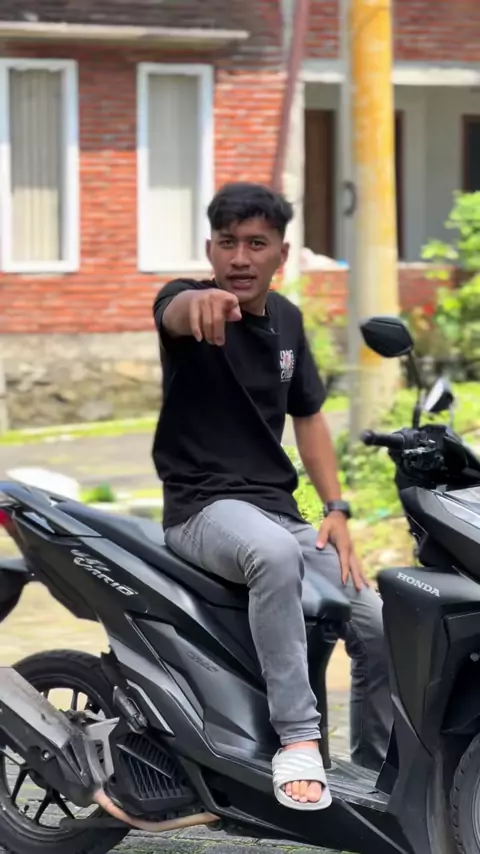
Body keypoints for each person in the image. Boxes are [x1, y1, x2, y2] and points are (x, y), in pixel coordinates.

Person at [152, 182, 392, 811]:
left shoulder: (287, 319)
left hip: (278, 511)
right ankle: (298, 741)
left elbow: (308, 417)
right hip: (202, 509)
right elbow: (177, 311)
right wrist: (199, 302)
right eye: (227, 243)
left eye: (256, 244)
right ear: (210, 248)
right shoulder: (186, 303)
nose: (240, 258)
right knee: (274, 556)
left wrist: (337, 509)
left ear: (281, 254)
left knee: (376, 619)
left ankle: (377, 774)